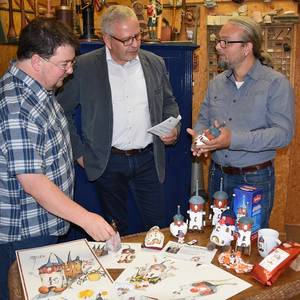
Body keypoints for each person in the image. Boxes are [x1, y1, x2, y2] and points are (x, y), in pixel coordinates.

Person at [0, 17, 115, 299]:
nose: (71, 70)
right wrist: (86, 219)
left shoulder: (40, 89)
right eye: (65, 64)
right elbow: (34, 182)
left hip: (44, 223)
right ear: (37, 61)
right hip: (24, 232)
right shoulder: (17, 107)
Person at [57, 5, 180, 236]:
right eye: (126, 39)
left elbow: (168, 102)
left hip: (149, 160)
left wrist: (173, 125)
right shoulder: (84, 67)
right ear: (107, 39)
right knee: (115, 230)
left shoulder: (154, 63)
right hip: (107, 162)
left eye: (137, 36)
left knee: (157, 228)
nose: (134, 44)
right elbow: (61, 111)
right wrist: (79, 153)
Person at [187, 16, 294, 229]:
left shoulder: (275, 84)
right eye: (219, 41)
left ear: (247, 47)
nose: (219, 47)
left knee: (248, 242)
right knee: (218, 237)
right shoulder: (216, 83)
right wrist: (200, 139)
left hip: (254, 178)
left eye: (226, 42)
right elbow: (203, 120)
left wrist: (232, 139)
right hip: (217, 174)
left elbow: (283, 134)